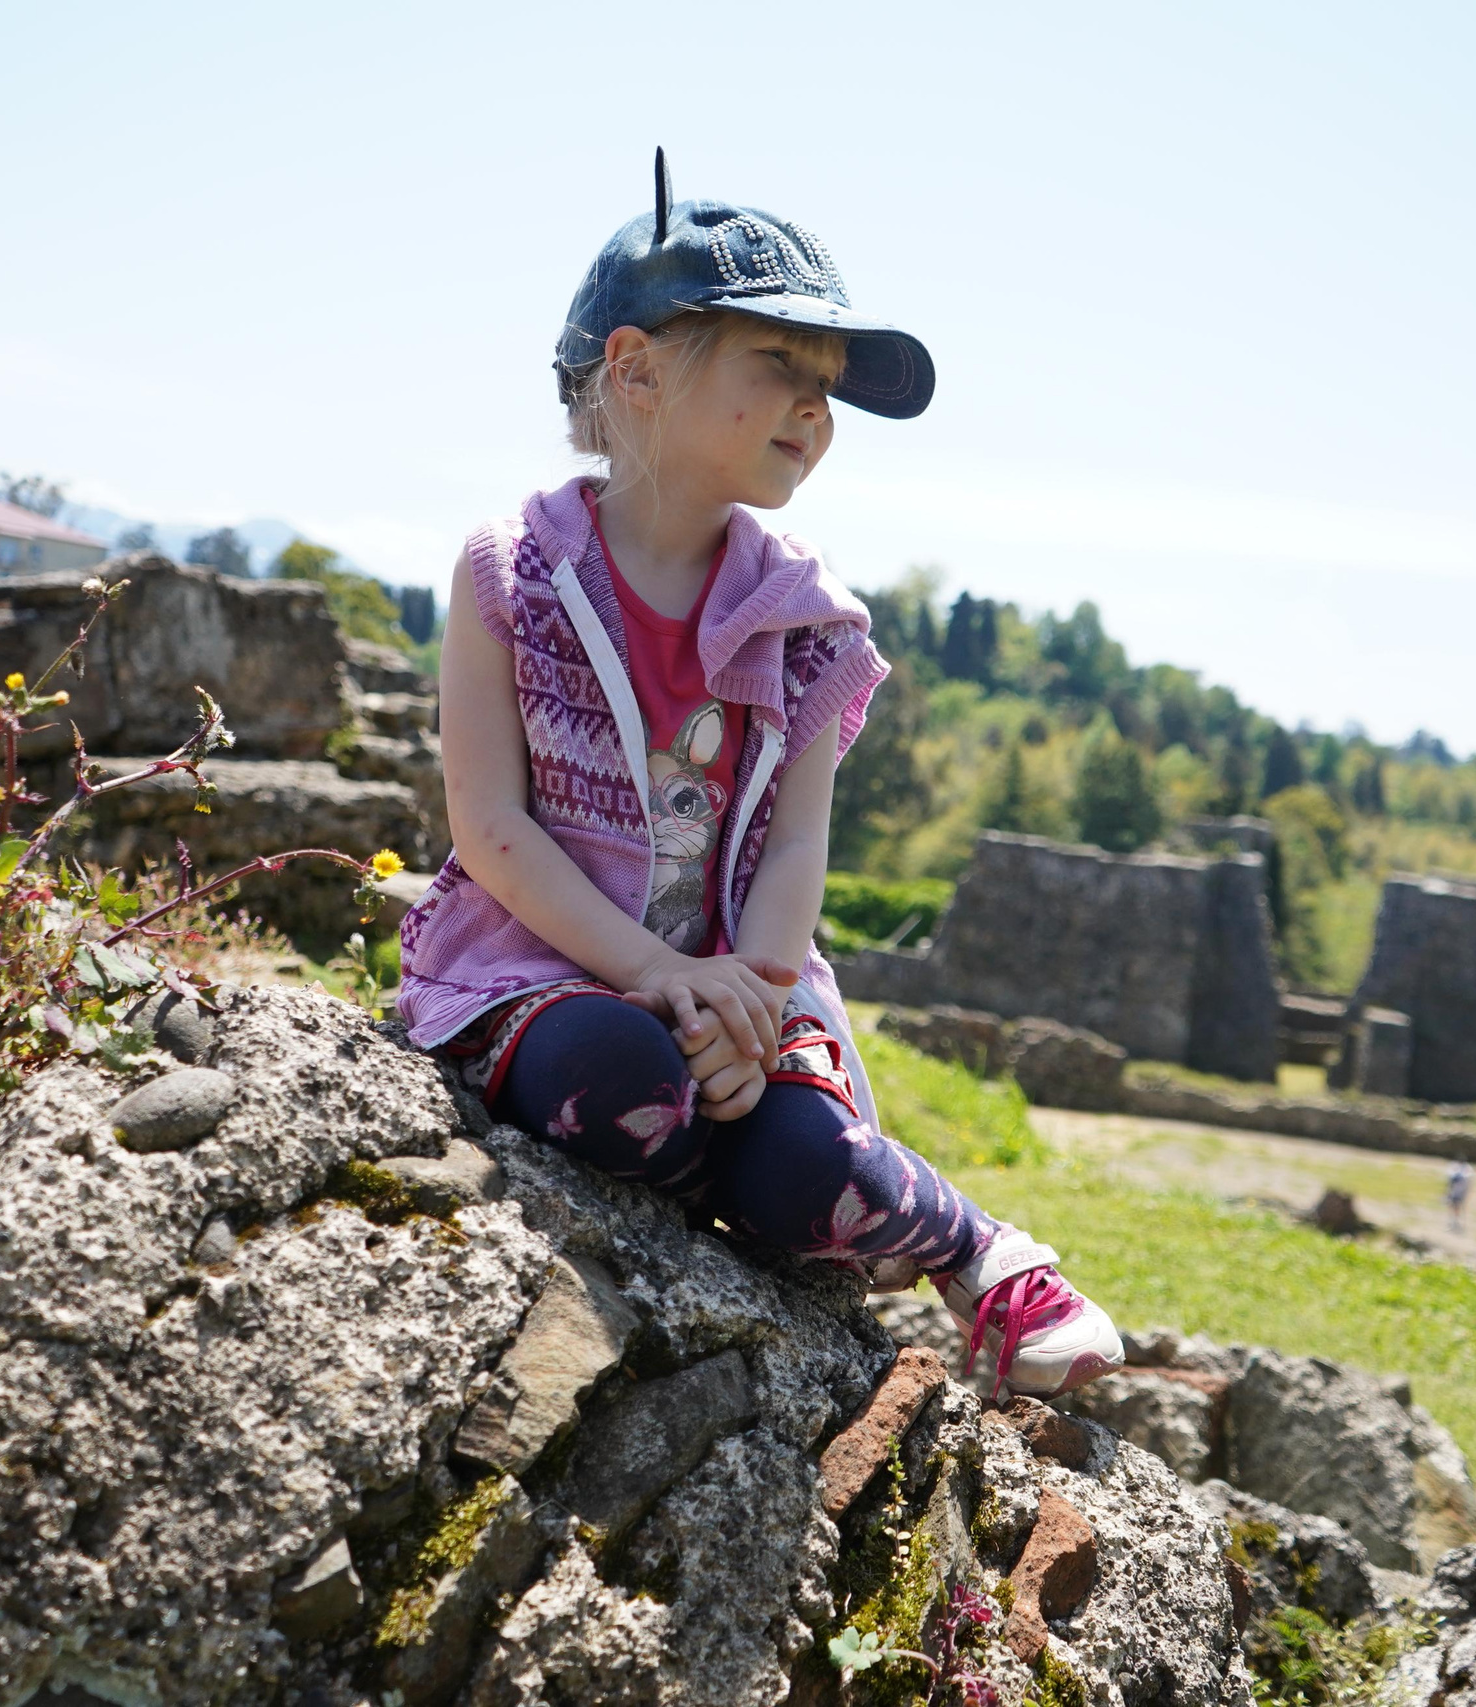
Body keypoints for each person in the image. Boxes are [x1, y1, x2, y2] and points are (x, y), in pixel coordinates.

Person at [397, 153, 1122, 1399]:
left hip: (746, 994)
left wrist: (754, 1002)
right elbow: (492, 823)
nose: (815, 410)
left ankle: (983, 1257)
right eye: (777, 365)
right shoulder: (509, 570)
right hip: (545, 970)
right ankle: (728, 1157)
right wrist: (660, 980)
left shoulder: (806, 621)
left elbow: (792, 847)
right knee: (617, 1078)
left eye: (827, 385)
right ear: (634, 372)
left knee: (801, 1160)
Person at [1444, 1159, 1472, 1233]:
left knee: (1458, 1207)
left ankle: (1457, 1223)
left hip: (1459, 1192)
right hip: (1454, 1192)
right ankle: (1453, 1222)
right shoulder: (1455, 1169)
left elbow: (1466, 1184)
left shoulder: (1466, 1171)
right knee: (1451, 1206)